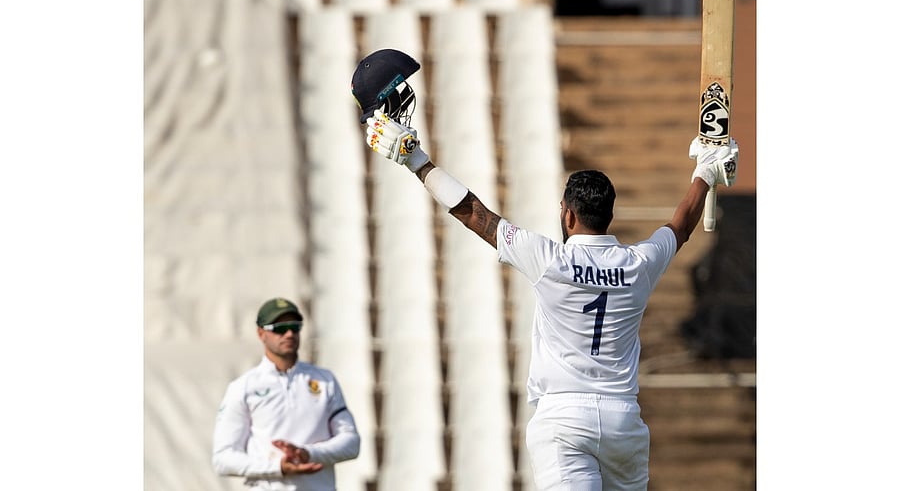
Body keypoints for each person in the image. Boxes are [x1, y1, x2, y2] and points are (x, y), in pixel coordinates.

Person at [360, 104, 737, 490]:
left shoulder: (550, 260)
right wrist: (705, 172)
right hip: (623, 419)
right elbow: (682, 224)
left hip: (564, 419)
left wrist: (417, 161)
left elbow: (475, 214)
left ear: (569, 215)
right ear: (608, 214)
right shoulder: (638, 263)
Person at [212, 297, 361, 490]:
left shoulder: (324, 380)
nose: (289, 334)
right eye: (280, 328)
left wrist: (307, 453)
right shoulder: (243, 387)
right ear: (261, 333)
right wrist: (277, 468)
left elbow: (351, 442)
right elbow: (223, 459)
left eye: (295, 327)